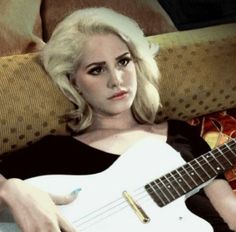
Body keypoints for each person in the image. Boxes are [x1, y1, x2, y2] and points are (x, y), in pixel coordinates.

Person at [0, 7, 235, 232]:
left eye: (123, 61)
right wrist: (10, 188)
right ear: (74, 83)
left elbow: (230, 212)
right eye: (96, 70)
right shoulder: (56, 151)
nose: (116, 80)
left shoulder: (180, 134)